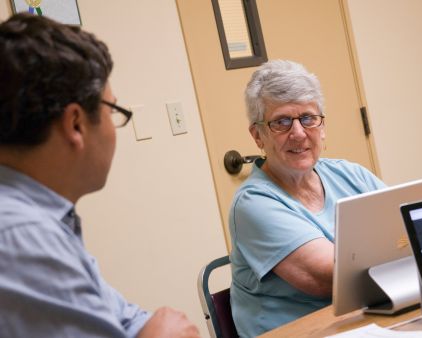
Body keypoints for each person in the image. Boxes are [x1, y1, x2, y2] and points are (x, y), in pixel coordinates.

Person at [0, 13, 200, 338]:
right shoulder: (23, 238)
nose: (113, 128)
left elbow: (122, 316)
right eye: (112, 112)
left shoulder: (45, 219)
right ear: (76, 124)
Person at [229, 60, 386, 336]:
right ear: (258, 136)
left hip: (362, 322)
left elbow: (413, 227)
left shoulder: (350, 174)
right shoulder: (253, 203)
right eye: (281, 122)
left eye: (308, 118)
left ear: (322, 127)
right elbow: (330, 278)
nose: (298, 133)